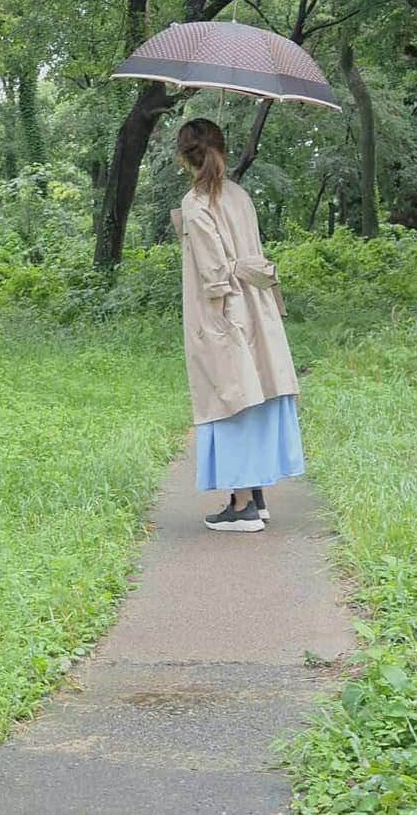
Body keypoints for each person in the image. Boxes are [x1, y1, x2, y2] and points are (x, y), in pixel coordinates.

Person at [173, 116, 304, 532]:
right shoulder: (238, 195)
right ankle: (255, 495)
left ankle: (243, 504)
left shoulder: (197, 203)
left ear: (183, 157)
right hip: (257, 305)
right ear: (223, 150)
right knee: (256, 392)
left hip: (226, 309)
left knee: (231, 397)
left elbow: (214, 274)